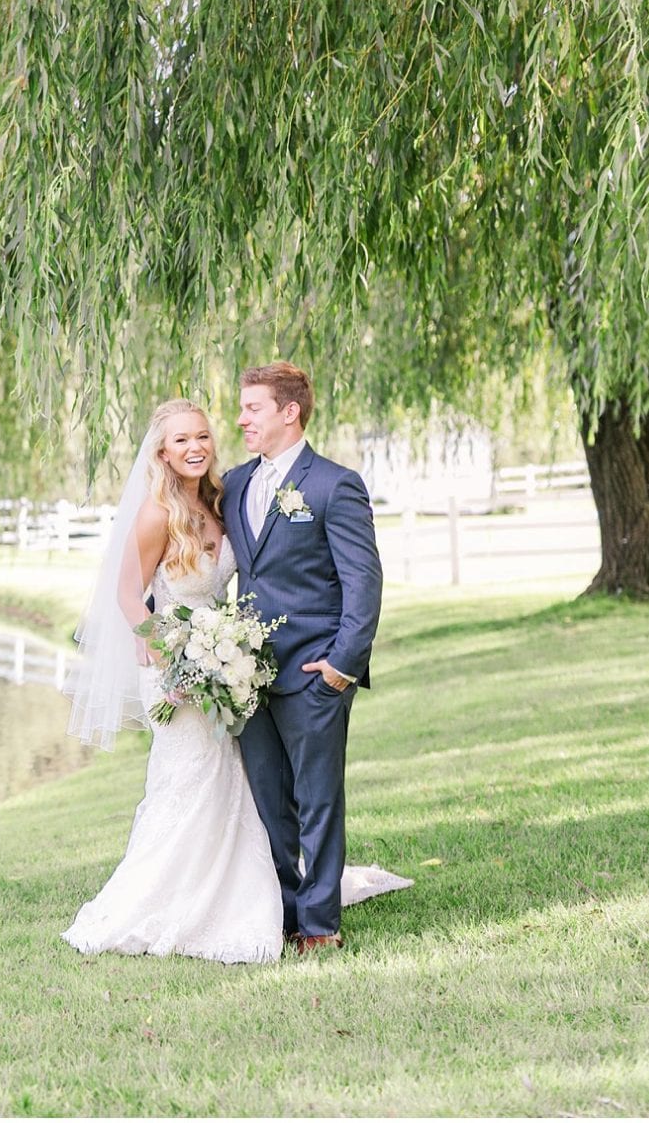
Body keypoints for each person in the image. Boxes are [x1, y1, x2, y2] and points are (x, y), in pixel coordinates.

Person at [61, 389, 405, 964]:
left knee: (258, 792)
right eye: (181, 440)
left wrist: (334, 662)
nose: (198, 445)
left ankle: (299, 915)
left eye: (203, 436)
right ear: (162, 453)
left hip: (236, 669)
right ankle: (179, 902)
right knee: (196, 789)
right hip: (181, 671)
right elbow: (128, 595)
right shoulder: (159, 511)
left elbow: (343, 579)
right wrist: (169, 658)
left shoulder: (228, 496)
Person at [222, 361, 385, 953]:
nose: (240, 419)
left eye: (252, 408)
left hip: (316, 673)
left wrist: (342, 665)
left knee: (317, 802)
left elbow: (363, 583)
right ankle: (285, 915)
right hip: (245, 675)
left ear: (289, 412)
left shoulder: (333, 485)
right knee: (269, 804)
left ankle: (320, 925)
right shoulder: (236, 483)